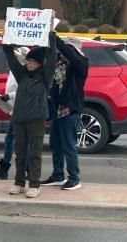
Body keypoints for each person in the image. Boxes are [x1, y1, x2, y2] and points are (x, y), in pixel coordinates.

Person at [3, 32, 56, 198]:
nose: (29, 64)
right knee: (20, 154)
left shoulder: (45, 78)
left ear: (40, 64)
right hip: (19, 120)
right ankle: (19, 183)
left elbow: (52, 59)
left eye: (33, 61)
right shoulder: (22, 75)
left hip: (36, 120)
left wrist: (51, 39)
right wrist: (7, 41)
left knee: (34, 153)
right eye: (28, 61)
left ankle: (34, 184)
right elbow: (11, 59)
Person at [42, 36, 88, 190]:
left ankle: (74, 178)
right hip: (57, 110)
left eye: (68, 49)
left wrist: (57, 39)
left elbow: (68, 53)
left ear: (73, 50)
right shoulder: (60, 62)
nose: (62, 53)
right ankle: (58, 175)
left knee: (69, 146)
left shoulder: (80, 63)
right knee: (55, 144)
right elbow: (48, 53)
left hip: (69, 110)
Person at [0, 47, 30, 180]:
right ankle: (10, 169)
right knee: (13, 140)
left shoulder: (24, 72)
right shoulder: (15, 70)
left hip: (21, 110)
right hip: (14, 109)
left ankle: (22, 170)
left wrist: (8, 97)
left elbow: (24, 91)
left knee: (19, 141)